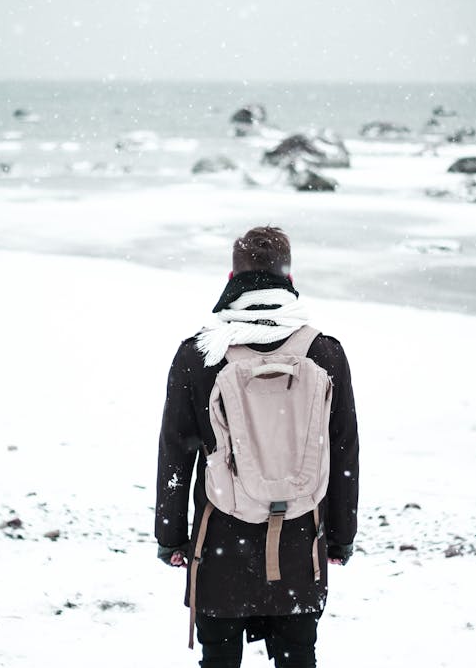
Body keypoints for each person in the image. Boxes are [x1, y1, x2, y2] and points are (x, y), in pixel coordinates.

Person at [155, 226, 359, 668]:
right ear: (288, 276)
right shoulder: (324, 352)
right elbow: (342, 452)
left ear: (232, 275)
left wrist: (171, 537)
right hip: (300, 542)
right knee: (297, 656)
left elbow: (175, 454)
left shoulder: (199, 355)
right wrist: (341, 538)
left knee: (221, 657)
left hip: (220, 540)